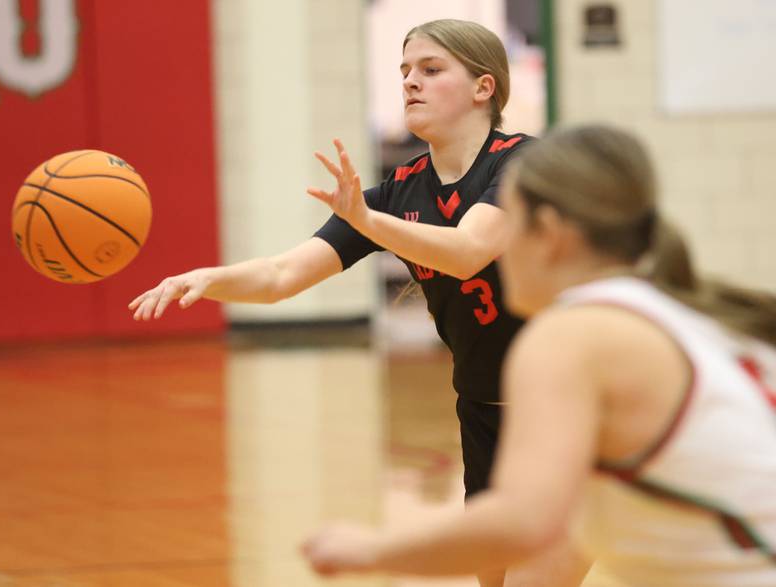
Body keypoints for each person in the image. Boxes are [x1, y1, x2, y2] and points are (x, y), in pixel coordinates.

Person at [129, 19, 588, 587]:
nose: (410, 82)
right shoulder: (396, 192)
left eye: (430, 69)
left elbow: (470, 250)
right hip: (485, 407)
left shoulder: (523, 164)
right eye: (403, 72)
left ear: (483, 88)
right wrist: (207, 277)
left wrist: (370, 222)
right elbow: (279, 277)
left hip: (573, 407)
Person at [302, 124, 776, 586]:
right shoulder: (691, 312)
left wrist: (370, 551)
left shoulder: (573, 337)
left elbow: (519, 523)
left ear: (549, 233)